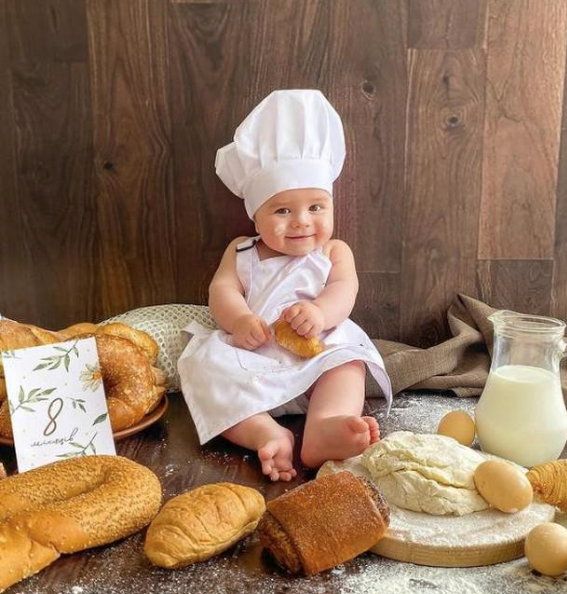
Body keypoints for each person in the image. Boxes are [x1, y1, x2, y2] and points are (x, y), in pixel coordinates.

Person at [178, 89, 392, 481]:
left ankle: (325, 426)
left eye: (316, 207)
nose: (302, 221)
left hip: (316, 356)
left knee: (348, 361)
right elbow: (221, 291)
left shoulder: (333, 252)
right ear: (255, 217)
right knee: (202, 368)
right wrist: (240, 320)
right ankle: (264, 430)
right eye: (282, 210)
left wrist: (320, 312)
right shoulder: (243, 251)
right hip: (254, 357)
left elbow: (345, 290)